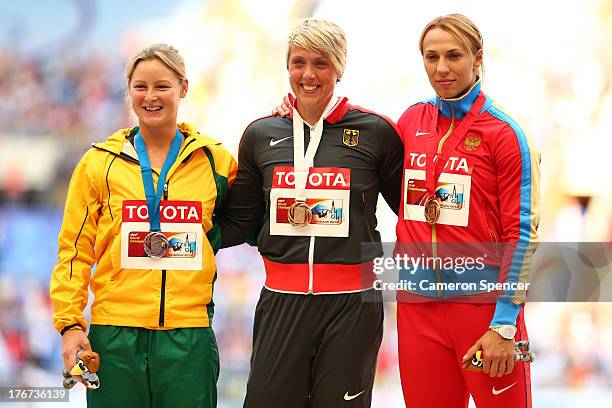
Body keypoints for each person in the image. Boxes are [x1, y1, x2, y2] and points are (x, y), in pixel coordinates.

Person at [217, 19, 404, 408]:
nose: (308, 74)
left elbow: (411, 210)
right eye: (298, 62)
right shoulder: (260, 134)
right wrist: (178, 224)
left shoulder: (376, 131)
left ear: (339, 68)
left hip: (354, 304)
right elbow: (240, 222)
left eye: (320, 63)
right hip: (282, 300)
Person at [49, 43, 237, 408]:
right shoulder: (97, 163)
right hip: (115, 334)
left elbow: (246, 218)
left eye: (162, 86)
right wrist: (70, 324)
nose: (150, 97)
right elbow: (75, 249)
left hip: (188, 335)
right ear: (129, 90)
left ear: (183, 88)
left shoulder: (215, 160)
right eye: (140, 86)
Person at [394, 14, 540, 408]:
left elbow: (522, 235)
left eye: (453, 55)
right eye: (431, 56)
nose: (441, 68)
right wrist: (294, 109)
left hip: (484, 310)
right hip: (417, 308)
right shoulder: (410, 121)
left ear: (477, 58)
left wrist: (506, 321)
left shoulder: (505, 133)